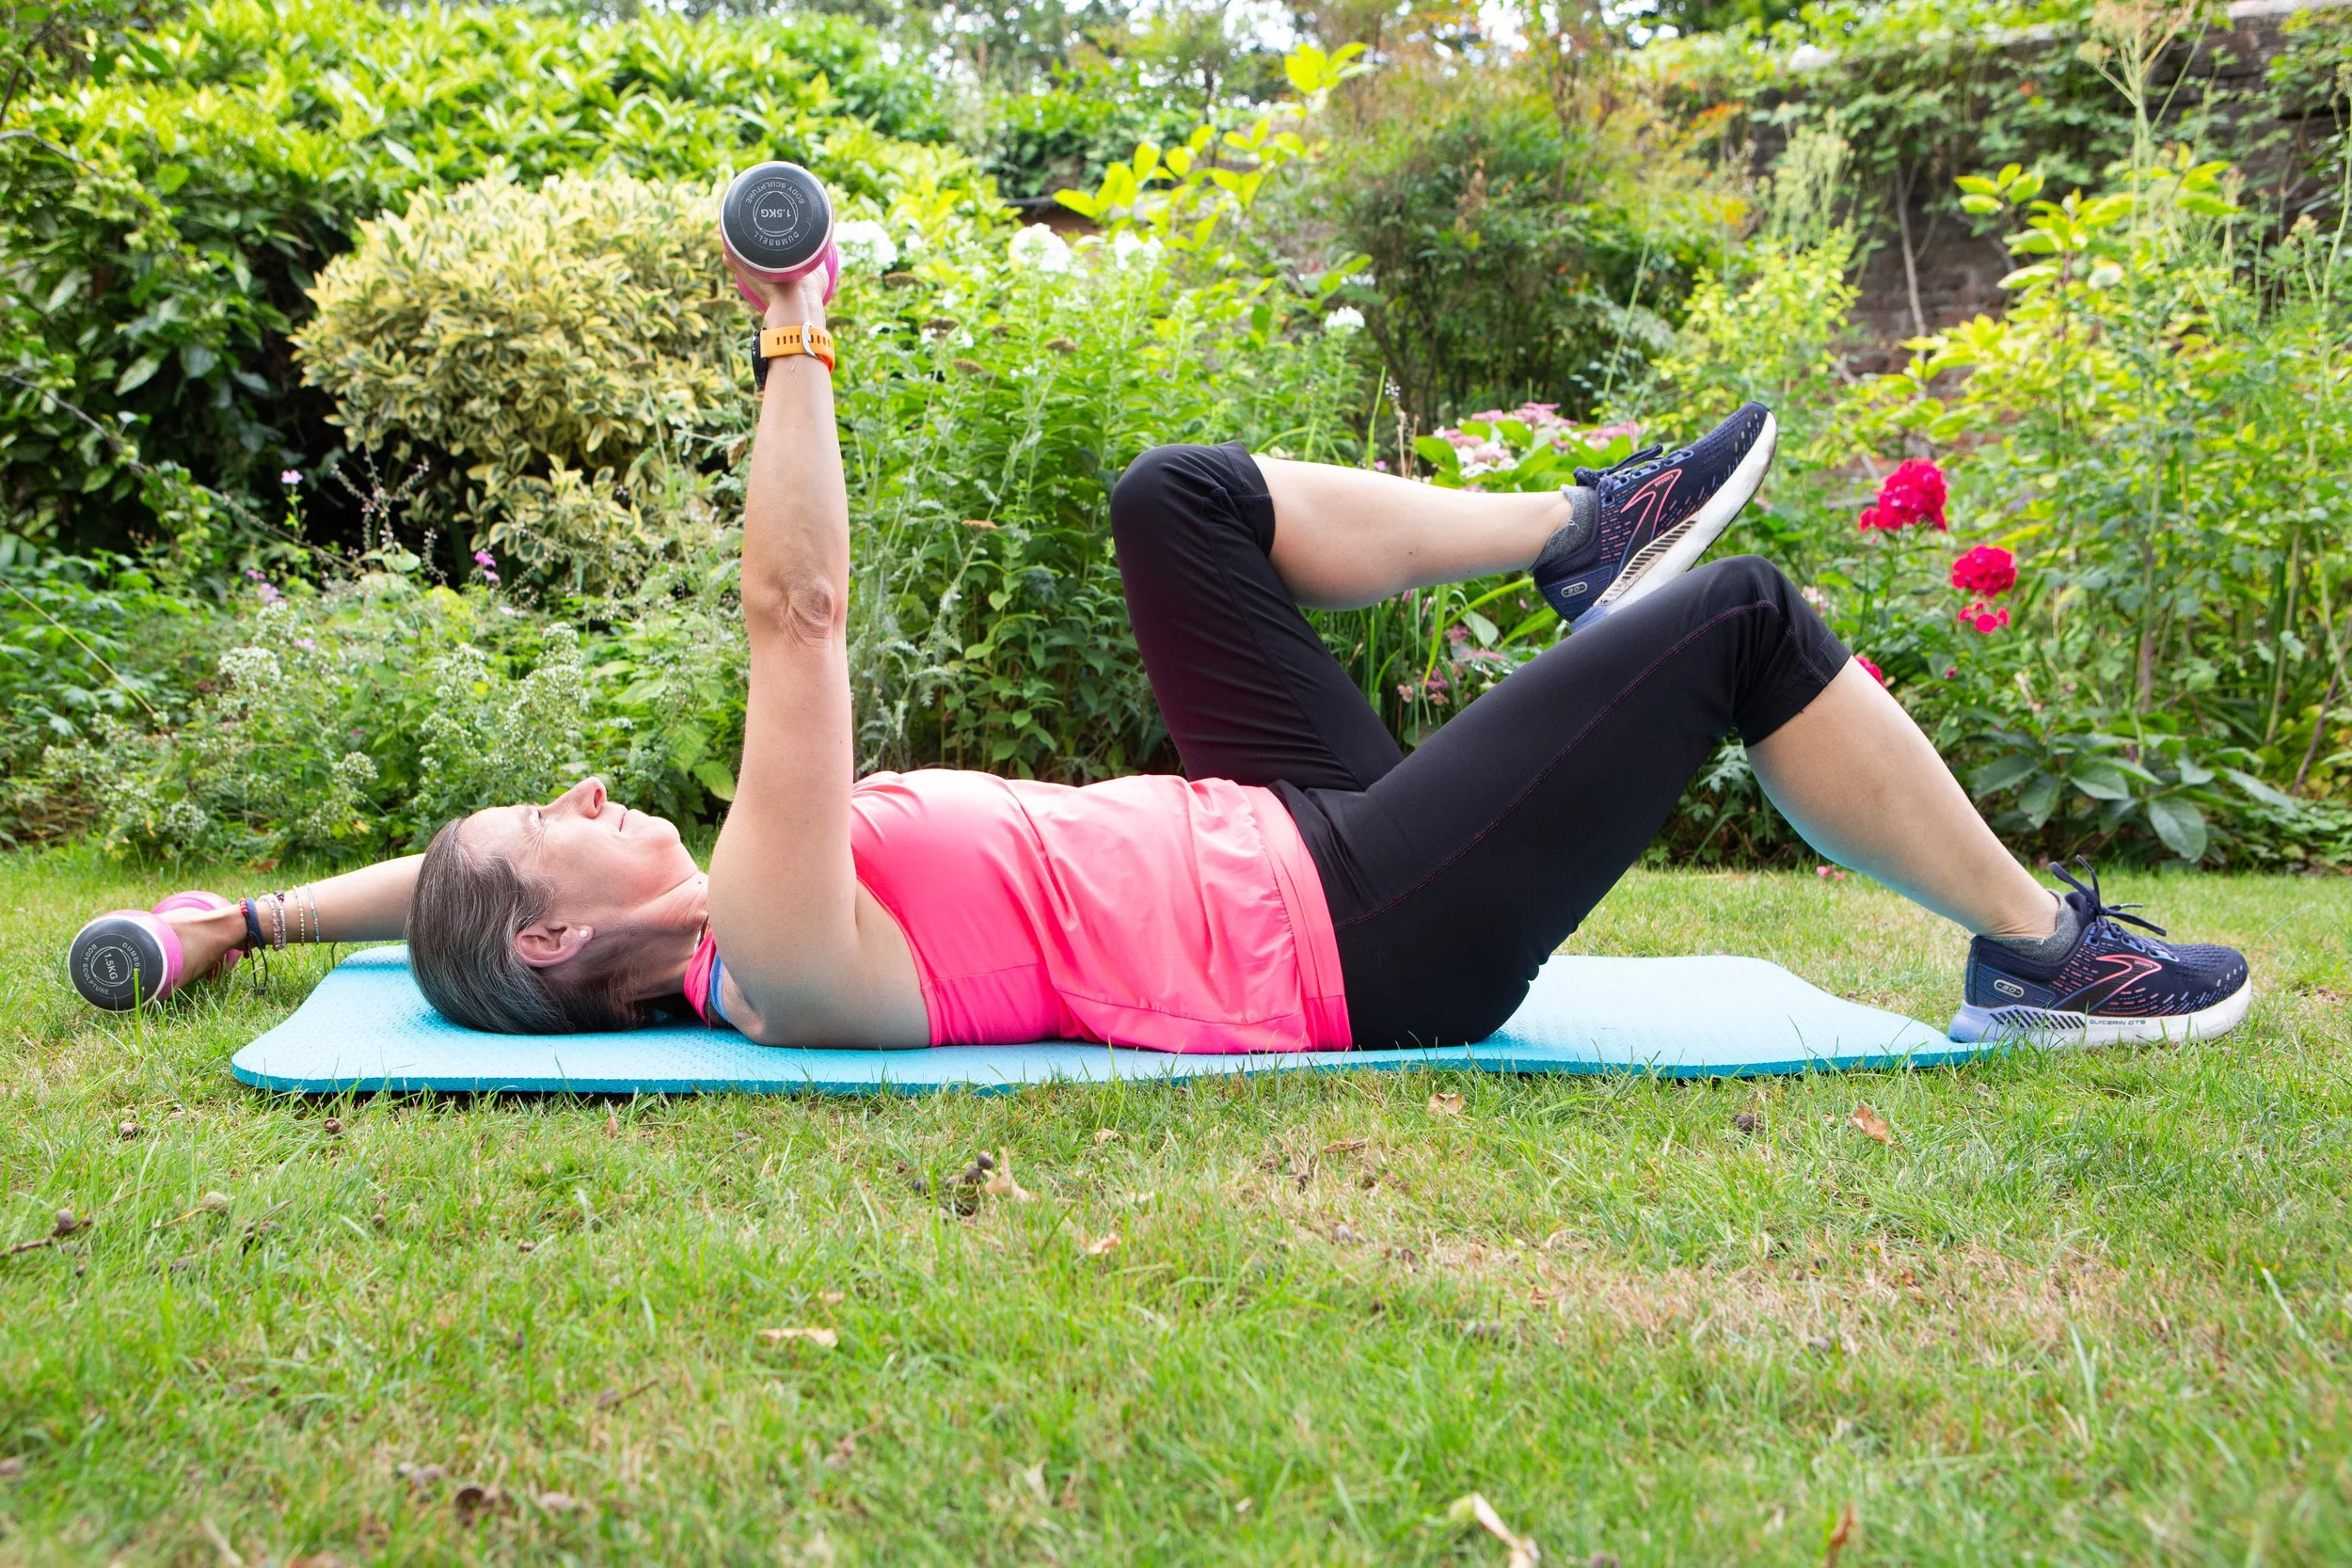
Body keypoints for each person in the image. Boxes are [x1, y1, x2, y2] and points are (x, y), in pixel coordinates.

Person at [135, 243, 2252, 1053]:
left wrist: (244, 907)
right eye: (552, 816)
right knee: (1747, 623)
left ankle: (1569, 532)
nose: (586, 788)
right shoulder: (770, 940)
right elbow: (796, 615)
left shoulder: (611, 909)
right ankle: (2030, 946)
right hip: (1354, 933)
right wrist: (792, 327)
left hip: (1271, 824)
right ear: (563, 944)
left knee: (1176, 495)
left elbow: (447, 895)